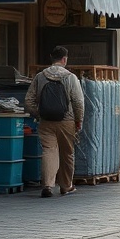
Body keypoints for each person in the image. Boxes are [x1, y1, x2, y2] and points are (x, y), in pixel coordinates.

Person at [25, 46, 85, 198]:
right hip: (67, 121)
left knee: (48, 151)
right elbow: (78, 102)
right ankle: (66, 186)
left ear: (52, 59)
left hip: (46, 121)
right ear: (64, 59)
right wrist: (79, 120)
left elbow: (29, 100)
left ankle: (48, 185)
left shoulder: (40, 76)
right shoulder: (71, 77)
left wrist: (39, 114)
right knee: (67, 153)